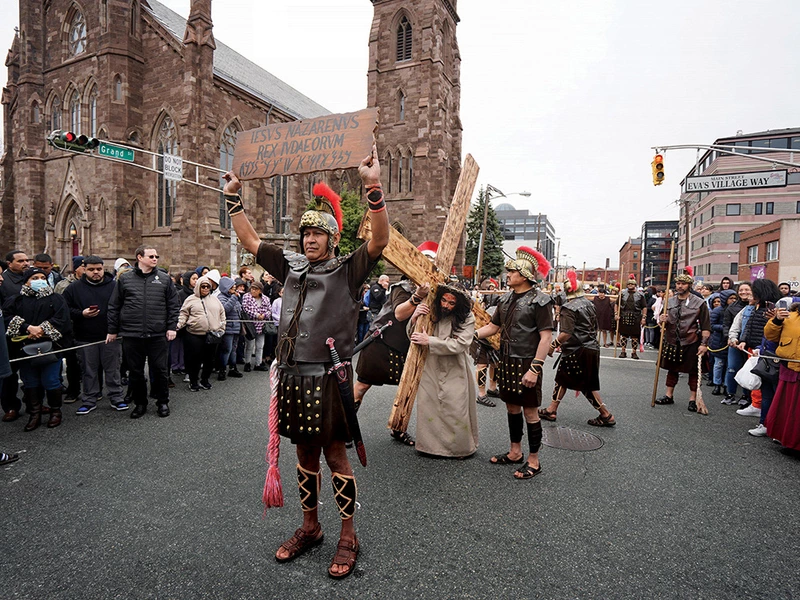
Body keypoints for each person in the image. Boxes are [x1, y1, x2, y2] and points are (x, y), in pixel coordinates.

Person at [223, 143, 387, 578]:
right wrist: (234, 198)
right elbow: (251, 240)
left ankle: (347, 535)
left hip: (329, 377)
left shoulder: (348, 270)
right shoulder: (292, 267)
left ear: (332, 239)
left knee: (336, 457)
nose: (308, 240)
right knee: (305, 457)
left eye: (316, 235)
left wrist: (373, 188)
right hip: (293, 378)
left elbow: (380, 239)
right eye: (304, 234)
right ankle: (310, 527)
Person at [474, 246, 553, 480]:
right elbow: (493, 327)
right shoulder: (506, 298)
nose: (507, 275)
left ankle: (534, 461)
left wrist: (535, 368)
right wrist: (470, 334)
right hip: (507, 360)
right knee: (511, 408)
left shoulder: (540, 300)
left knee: (530, 412)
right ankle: (515, 452)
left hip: (528, 362)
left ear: (525, 275)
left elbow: (546, 337)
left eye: (511, 272)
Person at [354, 277, 430, 445]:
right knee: (362, 385)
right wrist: (417, 296)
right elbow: (399, 314)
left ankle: (399, 428)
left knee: (407, 388)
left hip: (406, 346)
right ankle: (344, 428)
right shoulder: (402, 287)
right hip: (381, 341)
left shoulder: (434, 292)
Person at [106, 246, 180, 419]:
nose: (155, 258)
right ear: (139, 257)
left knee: (160, 370)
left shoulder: (164, 279)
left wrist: (171, 327)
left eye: (157, 256)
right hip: (132, 334)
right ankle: (140, 404)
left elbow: (173, 305)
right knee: (136, 372)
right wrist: (112, 330)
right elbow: (114, 306)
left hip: (157, 334)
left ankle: (162, 402)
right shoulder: (125, 280)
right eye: (151, 256)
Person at [408, 284, 478, 458]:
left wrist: (430, 341)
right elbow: (413, 336)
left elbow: (461, 344)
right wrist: (414, 318)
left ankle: (459, 448)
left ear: (458, 304)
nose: (446, 305)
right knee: (429, 405)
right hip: (430, 364)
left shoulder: (467, 317)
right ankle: (429, 447)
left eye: (451, 303)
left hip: (455, 367)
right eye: (444, 300)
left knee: (456, 406)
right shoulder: (431, 312)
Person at [539, 270, 615, 426]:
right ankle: (552, 409)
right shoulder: (589, 304)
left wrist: (553, 345)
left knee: (586, 385)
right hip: (589, 347)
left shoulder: (569, 307)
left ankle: (606, 415)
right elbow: (595, 327)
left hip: (577, 350)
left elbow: (566, 333)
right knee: (562, 379)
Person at [5, 267, 73, 430]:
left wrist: (42, 329)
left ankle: (55, 412)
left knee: (51, 380)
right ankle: (35, 413)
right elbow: (7, 317)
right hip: (25, 348)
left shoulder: (56, 298)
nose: (39, 280)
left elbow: (62, 319)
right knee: (31, 382)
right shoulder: (16, 300)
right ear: (26, 281)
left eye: (42, 277)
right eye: (35, 277)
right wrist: (28, 328)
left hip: (50, 347)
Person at [63, 256, 127, 414]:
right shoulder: (73, 288)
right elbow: (64, 310)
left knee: (113, 369)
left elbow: (124, 308)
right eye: (91, 269)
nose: (96, 272)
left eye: (99, 269)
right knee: (88, 371)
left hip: (110, 336)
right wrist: (81, 313)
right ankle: (89, 399)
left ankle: (116, 397)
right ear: (84, 269)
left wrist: (117, 329)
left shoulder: (114, 286)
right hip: (85, 336)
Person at [654, 271, 712, 412]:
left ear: (689, 285)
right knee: (671, 369)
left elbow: (705, 326)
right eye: (678, 283)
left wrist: (704, 344)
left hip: (691, 340)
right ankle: (669, 395)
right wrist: (662, 320)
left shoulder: (699, 303)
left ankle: (692, 399)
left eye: (683, 283)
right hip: (672, 340)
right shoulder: (669, 301)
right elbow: (663, 323)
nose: (680, 286)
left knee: (693, 372)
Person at [177, 275, 225, 391]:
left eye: (208, 287)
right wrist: (178, 325)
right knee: (194, 360)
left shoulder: (215, 299)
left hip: (212, 335)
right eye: (203, 286)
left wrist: (222, 328)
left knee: (209, 360)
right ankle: (193, 381)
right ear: (198, 287)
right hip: (194, 334)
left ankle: (205, 380)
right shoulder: (190, 299)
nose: (205, 289)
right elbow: (183, 314)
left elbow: (222, 314)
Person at [763, 302, 800, 450]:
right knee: (788, 408)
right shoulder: (789, 316)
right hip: (790, 369)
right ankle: (787, 440)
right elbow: (770, 335)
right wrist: (777, 319)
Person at [0, 250, 30, 421]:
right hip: (10, 335)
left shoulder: (34, 277)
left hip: (32, 334)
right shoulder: (3, 281)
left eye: (27, 260)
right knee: (10, 374)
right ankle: (11, 406)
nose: (25, 263)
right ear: (9, 263)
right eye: (20, 261)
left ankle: (34, 402)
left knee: (33, 369)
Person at [723, 282, 752, 405]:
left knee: (747, 369)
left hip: (750, 343)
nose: (743, 292)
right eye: (741, 290)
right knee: (732, 368)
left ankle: (746, 395)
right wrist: (729, 338)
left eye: (747, 290)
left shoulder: (757, 306)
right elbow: (727, 325)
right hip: (735, 342)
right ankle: (730, 394)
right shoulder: (732, 307)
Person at [216, 276, 243, 380]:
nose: (234, 289)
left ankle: (233, 367)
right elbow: (225, 309)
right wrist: (234, 297)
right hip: (227, 327)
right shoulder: (221, 297)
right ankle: (222, 369)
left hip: (236, 326)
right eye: (232, 287)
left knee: (234, 349)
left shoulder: (234, 297)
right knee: (227, 349)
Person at [241, 281, 271, 372]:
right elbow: (245, 308)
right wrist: (257, 315)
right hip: (250, 325)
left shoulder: (265, 299)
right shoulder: (246, 297)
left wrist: (264, 315)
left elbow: (269, 309)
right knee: (249, 345)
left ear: (260, 291)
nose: (253, 291)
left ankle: (258, 363)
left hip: (262, 325)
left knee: (260, 345)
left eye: (255, 289)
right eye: (252, 289)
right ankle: (247, 363)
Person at [616, 275, 646, 359]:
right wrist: (616, 314)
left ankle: (634, 352)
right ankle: (623, 351)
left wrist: (644, 318)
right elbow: (617, 304)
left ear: (635, 285)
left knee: (635, 336)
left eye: (632, 284)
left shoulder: (640, 295)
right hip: (624, 315)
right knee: (623, 335)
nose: (630, 285)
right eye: (628, 284)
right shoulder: (622, 294)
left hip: (636, 316)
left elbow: (644, 307)